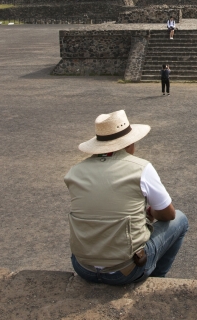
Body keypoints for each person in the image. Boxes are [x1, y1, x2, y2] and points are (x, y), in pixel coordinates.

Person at [65, 110, 188, 285]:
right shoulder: (141, 168)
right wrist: (150, 212)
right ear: (129, 144)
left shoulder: (74, 172)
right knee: (181, 220)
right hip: (126, 271)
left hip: (83, 267)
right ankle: (157, 280)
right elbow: (169, 214)